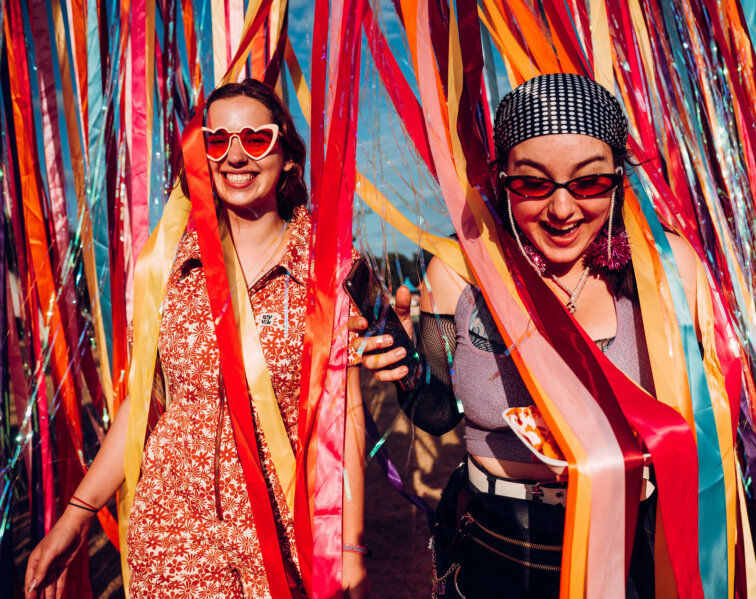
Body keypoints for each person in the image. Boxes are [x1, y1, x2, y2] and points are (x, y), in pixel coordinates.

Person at [351, 73, 698, 598]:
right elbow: (438, 412)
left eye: (588, 183)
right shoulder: (456, 271)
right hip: (498, 543)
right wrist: (407, 370)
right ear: (501, 178)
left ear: (619, 179)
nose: (561, 210)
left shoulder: (670, 271)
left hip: (633, 545)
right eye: (533, 184)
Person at [25, 79, 368, 599]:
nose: (235, 155)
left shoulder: (329, 268)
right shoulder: (168, 267)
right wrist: (76, 514)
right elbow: (148, 407)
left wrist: (348, 551)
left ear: (288, 158)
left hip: (282, 540)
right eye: (217, 140)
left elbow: (346, 418)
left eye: (255, 138)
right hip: (173, 537)